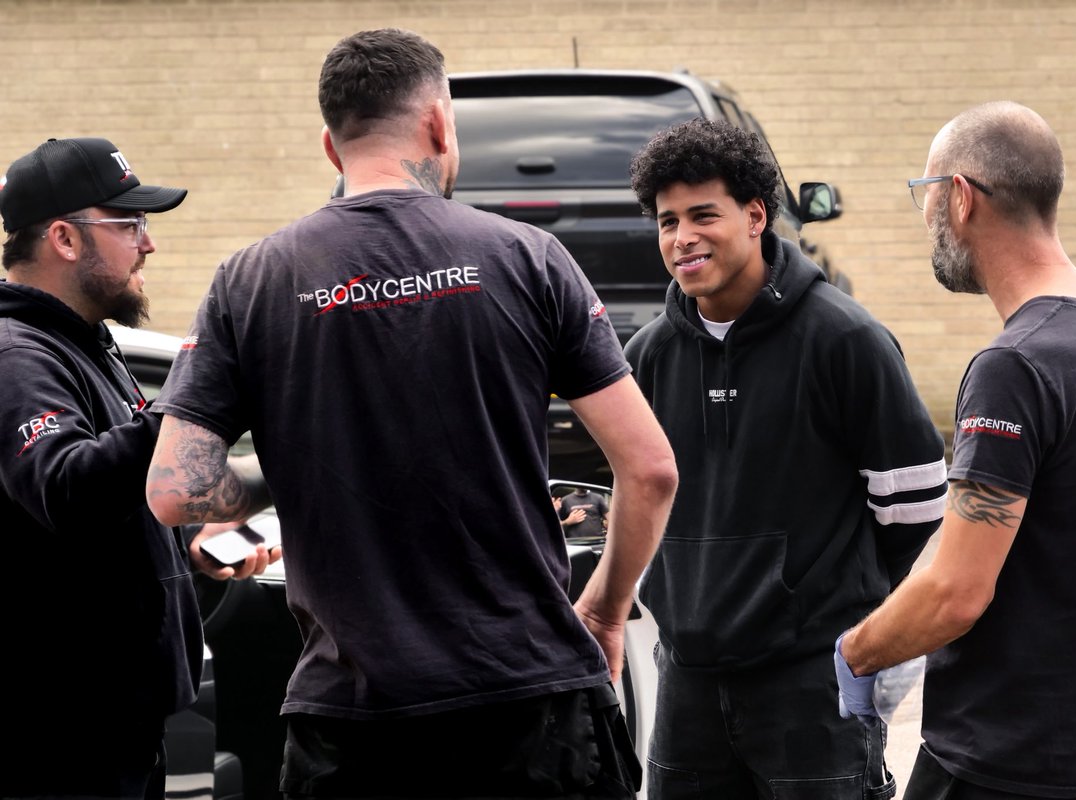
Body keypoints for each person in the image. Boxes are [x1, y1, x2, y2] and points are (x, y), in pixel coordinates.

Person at [144, 28, 678, 800]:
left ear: (332, 147)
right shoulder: (529, 258)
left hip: (353, 721)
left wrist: (274, 475)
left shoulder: (249, 283)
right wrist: (603, 611)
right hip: (529, 704)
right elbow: (651, 468)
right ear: (438, 123)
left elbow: (175, 492)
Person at [835, 102, 1076, 800]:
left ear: (959, 197)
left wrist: (854, 655)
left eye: (925, 196)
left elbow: (956, 592)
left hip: (1001, 758)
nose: (925, 219)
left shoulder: (1015, 366)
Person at [624, 119, 947, 800]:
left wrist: (826, 598)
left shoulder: (845, 339)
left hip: (812, 685)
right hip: (686, 682)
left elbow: (915, 504)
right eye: (667, 221)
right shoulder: (647, 357)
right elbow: (635, 496)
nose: (682, 237)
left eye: (702, 215)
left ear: (754, 215)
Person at [0, 137, 273, 798]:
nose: (147, 243)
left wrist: (195, 561)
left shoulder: (90, 349)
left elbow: (114, 524)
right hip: (54, 747)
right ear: (64, 238)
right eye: (128, 225)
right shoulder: (15, 354)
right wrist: (192, 397)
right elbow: (67, 488)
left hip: (116, 733)